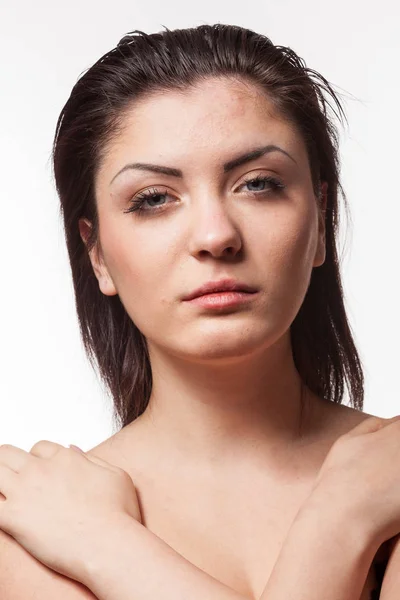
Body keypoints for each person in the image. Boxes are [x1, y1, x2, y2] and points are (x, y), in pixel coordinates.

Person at [2, 22, 393, 599]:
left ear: (320, 225)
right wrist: (343, 518)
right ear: (98, 255)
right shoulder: (37, 524)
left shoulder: (63, 528)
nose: (215, 235)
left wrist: (103, 549)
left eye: (258, 184)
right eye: (154, 199)